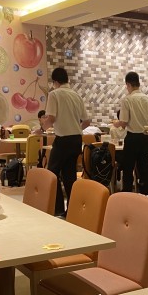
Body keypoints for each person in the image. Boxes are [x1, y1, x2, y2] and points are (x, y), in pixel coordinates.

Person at [44, 67, 90, 216]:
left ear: (55, 82)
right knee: (69, 176)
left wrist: (41, 129)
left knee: (52, 173)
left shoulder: (54, 94)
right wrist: (75, 128)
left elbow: (51, 118)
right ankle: (71, 210)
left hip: (62, 140)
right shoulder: (76, 95)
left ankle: (57, 209)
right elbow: (87, 121)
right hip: (76, 140)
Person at [114, 71, 148, 199]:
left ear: (128, 84)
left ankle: (127, 194)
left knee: (128, 168)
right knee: (144, 167)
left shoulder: (127, 100)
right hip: (146, 137)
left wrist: (117, 124)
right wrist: (146, 124)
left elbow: (124, 122)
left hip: (132, 138)